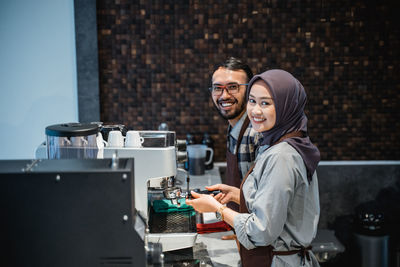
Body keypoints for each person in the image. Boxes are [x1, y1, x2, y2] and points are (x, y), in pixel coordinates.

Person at [187, 69, 321, 267]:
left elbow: (261, 231)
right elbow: (276, 204)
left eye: (265, 103)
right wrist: (237, 195)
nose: (255, 111)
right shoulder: (279, 143)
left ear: (286, 106)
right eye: (252, 101)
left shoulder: (281, 156)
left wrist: (218, 209)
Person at [210, 57, 260, 212]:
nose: (224, 96)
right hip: (240, 226)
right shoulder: (233, 127)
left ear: (250, 90)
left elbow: (265, 202)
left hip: (256, 232)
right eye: (218, 88)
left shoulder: (256, 132)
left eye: (233, 87)